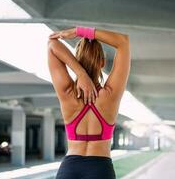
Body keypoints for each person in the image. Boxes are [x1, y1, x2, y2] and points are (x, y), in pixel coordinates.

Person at [47, 26, 130, 179]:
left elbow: (52, 45)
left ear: (76, 60)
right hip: (100, 169)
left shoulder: (68, 93)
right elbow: (123, 42)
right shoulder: (110, 96)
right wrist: (79, 31)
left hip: (69, 169)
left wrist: (80, 73)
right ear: (102, 63)